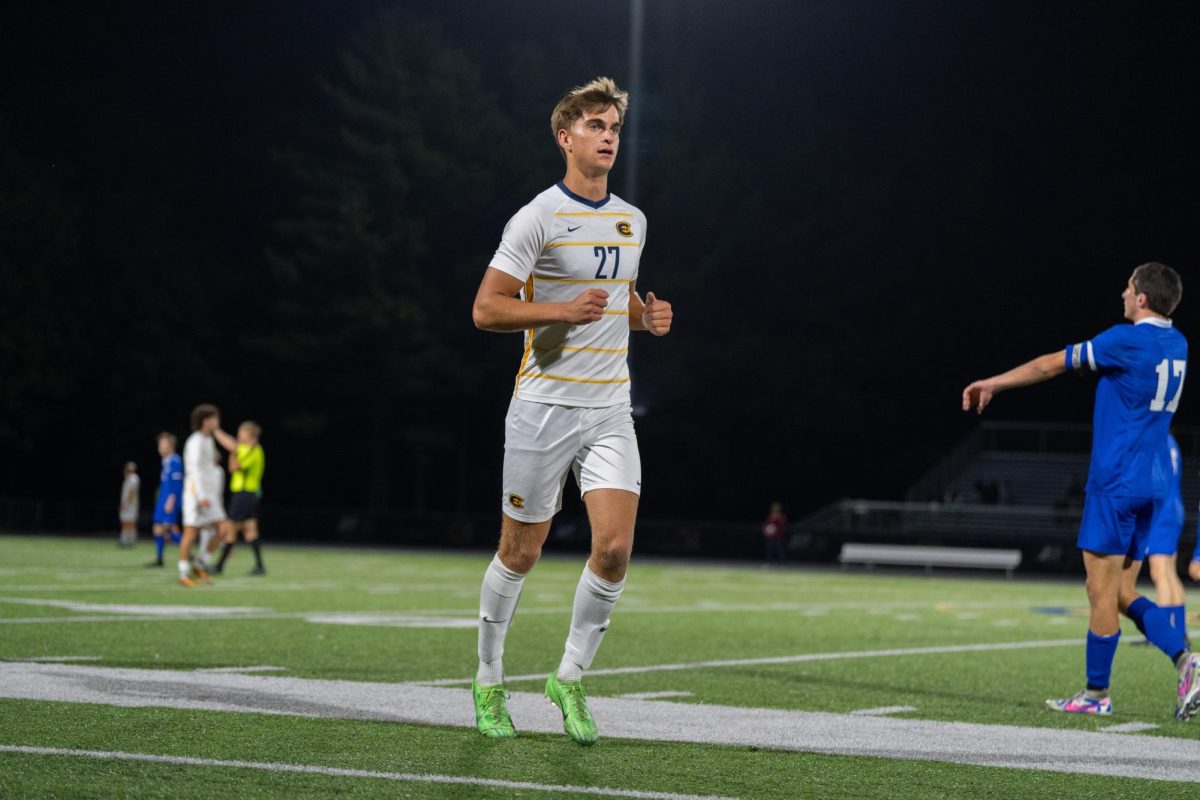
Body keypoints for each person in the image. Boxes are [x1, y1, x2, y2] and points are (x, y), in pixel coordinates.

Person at [468, 77, 672, 745]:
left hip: (609, 408)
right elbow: (487, 308)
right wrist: (559, 307)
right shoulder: (537, 217)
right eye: (594, 125)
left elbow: (620, 303)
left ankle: (569, 678)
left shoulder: (633, 219)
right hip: (543, 407)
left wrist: (649, 317)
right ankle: (489, 680)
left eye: (613, 125)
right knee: (519, 552)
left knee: (614, 549)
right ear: (566, 137)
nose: (608, 135)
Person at [962, 262, 1200, 720]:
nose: (1123, 294)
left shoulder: (1125, 339)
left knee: (1098, 592)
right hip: (1153, 484)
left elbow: (1049, 365)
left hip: (1117, 483)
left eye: (1129, 288)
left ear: (1143, 299)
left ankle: (1096, 694)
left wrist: (993, 382)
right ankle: (1185, 659)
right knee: (1122, 593)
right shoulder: (1179, 342)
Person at [1120, 432, 1188, 647]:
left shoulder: (1156, 439)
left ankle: (1164, 634)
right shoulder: (1172, 440)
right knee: (1169, 572)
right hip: (1174, 508)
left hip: (1163, 511)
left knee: (1159, 573)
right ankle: (1180, 632)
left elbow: (1149, 478)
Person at [178, 404, 237, 587]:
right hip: (196, 494)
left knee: (224, 529)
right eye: (215, 419)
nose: (217, 422)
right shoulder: (195, 441)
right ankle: (183, 574)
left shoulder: (208, 440)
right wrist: (201, 496)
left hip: (209, 496)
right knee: (190, 533)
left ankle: (199, 563)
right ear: (206, 421)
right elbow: (194, 471)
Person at [212, 421, 267, 576]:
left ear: (250, 435)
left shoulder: (254, 450)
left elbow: (234, 467)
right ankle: (260, 566)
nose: (238, 436)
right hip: (246, 495)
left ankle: (219, 565)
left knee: (230, 528)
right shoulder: (246, 448)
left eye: (241, 433)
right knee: (250, 531)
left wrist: (233, 453)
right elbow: (230, 443)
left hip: (244, 494)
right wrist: (217, 431)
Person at [148, 433, 184, 567]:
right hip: (163, 498)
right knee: (157, 528)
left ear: (171, 446)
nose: (161, 448)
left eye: (164, 446)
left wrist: (171, 499)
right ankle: (159, 559)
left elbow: (177, 484)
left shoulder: (175, 461)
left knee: (168, 530)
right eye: (160, 446)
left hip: (170, 499)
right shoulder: (166, 461)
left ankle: (188, 553)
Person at [118, 462, 139, 547]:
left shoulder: (133, 478)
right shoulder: (128, 478)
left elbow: (131, 492)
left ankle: (130, 541)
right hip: (127, 503)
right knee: (125, 522)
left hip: (131, 504)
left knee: (130, 522)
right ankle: (124, 540)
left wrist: (126, 504)